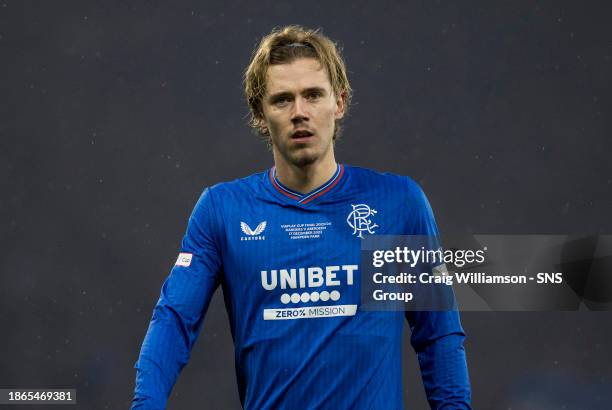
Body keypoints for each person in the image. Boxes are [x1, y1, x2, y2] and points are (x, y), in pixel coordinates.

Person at [131, 25, 471, 409]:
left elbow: (438, 335)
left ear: (339, 102)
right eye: (282, 100)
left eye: (313, 95)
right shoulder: (223, 211)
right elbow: (174, 321)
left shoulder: (397, 204)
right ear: (261, 114)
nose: (299, 113)